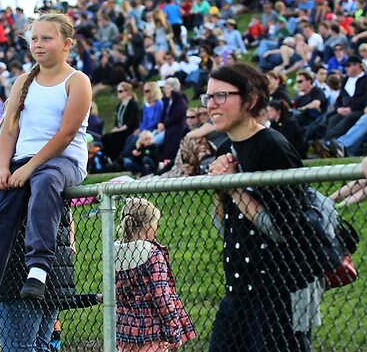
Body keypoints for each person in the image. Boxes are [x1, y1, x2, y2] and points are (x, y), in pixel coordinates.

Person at [0, 13, 92, 352]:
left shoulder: (77, 81)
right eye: (34, 39)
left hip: (61, 161)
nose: (38, 45)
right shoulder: (22, 82)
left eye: (47, 38)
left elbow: (67, 133)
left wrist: (29, 169)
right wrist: (2, 170)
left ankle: (38, 269)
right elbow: (9, 130)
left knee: (44, 186)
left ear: (67, 44)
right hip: (19, 163)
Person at [205, 64, 325, 352]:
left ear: (251, 100)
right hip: (237, 290)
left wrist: (234, 186)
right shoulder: (225, 149)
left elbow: (284, 229)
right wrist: (220, 188)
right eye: (207, 97)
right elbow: (222, 225)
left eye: (220, 96)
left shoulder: (273, 146)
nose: (211, 105)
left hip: (279, 293)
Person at [115, 198, 196, 351]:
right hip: (152, 334)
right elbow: (161, 296)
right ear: (147, 227)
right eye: (155, 224)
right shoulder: (152, 254)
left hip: (124, 333)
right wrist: (173, 330)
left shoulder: (117, 252)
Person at [102, 82, 140, 162]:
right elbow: (117, 121)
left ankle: (116, 159)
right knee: (105, 137)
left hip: (129, 130)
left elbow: (132, 122)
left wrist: (119, 129)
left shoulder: (133, 104)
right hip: (120, 129)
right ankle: (110, 159)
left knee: (114, 137)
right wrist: (116, 128)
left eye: (120, 91)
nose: (118, 93)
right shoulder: (120, 105)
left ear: (127, 92)